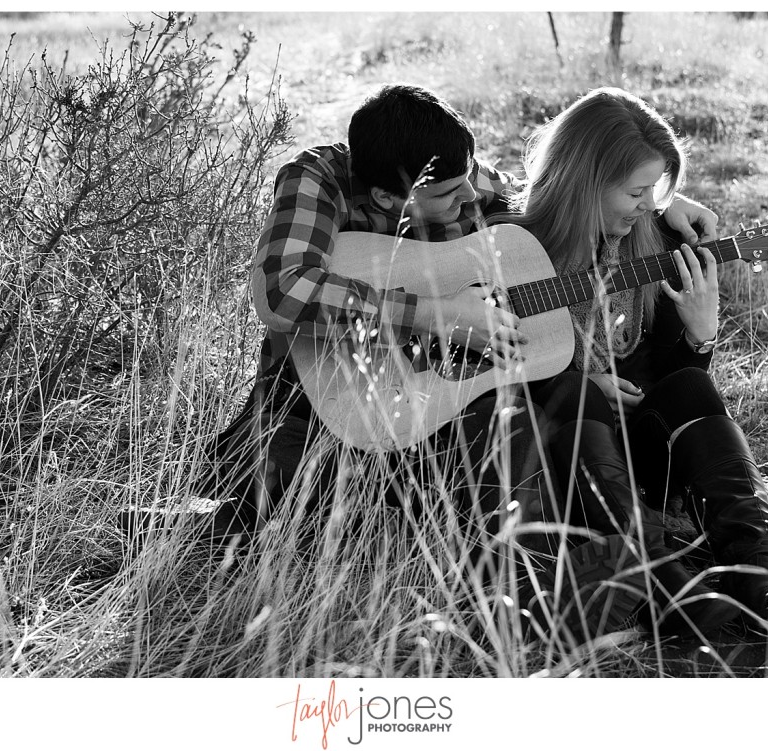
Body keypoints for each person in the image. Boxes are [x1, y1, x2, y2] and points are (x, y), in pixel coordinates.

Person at [203, 83, 720, 643]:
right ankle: (549, 592)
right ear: (384, 199)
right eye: (448, 197)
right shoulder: (318, 179)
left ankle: (562, 583)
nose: (467, 199)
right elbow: (283, 290)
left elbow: (558, 191)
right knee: (303, 509)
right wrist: (433, 315)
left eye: (468, 182)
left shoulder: (463, 178)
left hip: (434, 409)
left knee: (513, 413)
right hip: (318, 407)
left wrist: (658, 204)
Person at [490, 86, 768, 638]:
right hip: (562, 464)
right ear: (583, 182)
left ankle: (761, 570)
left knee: (688, 383)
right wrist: (571, 377)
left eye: (657, 191)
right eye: (637, 191)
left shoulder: (653, 241)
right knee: (576, 392)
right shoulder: (511, 244)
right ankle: (665, 585)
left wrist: (700, 335)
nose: (650, 204)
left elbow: (668, 382)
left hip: (640, 459)